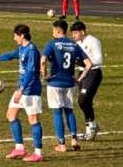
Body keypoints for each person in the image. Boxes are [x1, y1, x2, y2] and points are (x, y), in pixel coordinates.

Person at [0, 24, 44, 163]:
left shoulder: (32, 50)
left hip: (31, 90)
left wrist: (21, 90)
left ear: (22, 35)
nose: (14, 38)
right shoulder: (22, 48)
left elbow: (32, 73)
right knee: (11, 114)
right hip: (22, 89)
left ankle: (38, 153)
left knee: (33, 120)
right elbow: (11, 55)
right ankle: (20, 148)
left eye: (15, 35)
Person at [41, 20, 92, 152]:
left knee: (57, 112)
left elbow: (43, 60)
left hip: (55, 83)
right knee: (69, 111)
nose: (52, 33)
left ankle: (62, 144)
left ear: (58, 31)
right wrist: (79, 78)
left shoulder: (52, 43)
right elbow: (89, 64)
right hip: (69, 83)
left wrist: (45, 75)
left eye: (53, 31)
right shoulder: (74, 45)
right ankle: (74, 140)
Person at [70, 21, 103, 141]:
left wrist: (83, 62)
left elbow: (99, 59)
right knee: (84, 102)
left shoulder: (93, 41)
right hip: (82, 73)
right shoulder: (77, 43)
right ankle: (92, 128)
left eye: (75, 33)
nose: (73, 35)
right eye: (72, 33)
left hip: (93, 73)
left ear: (83, 32)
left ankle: (92, 128)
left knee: (83, 100)